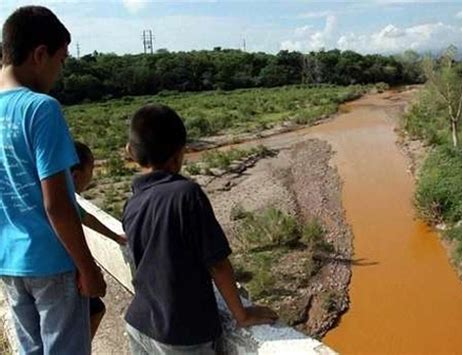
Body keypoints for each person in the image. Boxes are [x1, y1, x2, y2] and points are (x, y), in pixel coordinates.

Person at [123, 104, 278, 354]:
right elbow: (217, 263)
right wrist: (242, 314)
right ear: (179, 154)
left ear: (132, 152)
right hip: (180, 334)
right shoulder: (186, 194)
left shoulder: (133, 202)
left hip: (139, 322)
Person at [0, 6, 105, 354]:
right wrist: (88, 267)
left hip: (9, 264)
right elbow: (58, 204)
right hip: (51, 262)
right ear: (40, 54)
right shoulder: (41, 108)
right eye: (61, 60)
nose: (60, 71)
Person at [71, 141, 127, 339]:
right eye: (91, 169)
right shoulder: (63, 200)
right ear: (77, 174)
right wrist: (88, 270)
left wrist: (115, 237)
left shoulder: (52, 192)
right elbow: (85, 219)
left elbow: (86, 218)